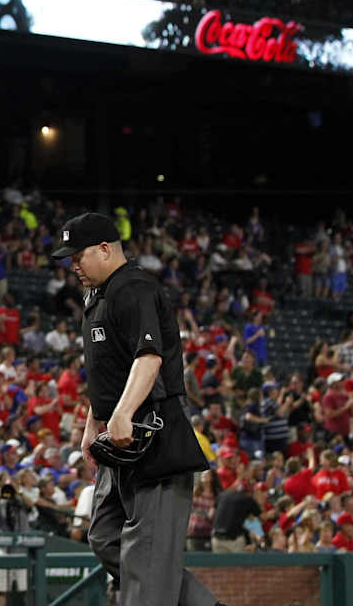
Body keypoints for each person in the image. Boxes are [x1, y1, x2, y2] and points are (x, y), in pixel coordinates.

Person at [51, 213, 218, 606]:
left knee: (145, 562)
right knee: (106, 537)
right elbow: (107, 371)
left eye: (78, 255)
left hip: (153, 435)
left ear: (106, 249)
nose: (72, 264)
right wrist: (94, 423)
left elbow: (148, 357)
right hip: (119, 440)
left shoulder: (134, 287)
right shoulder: (98, 296)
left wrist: (123, 413)